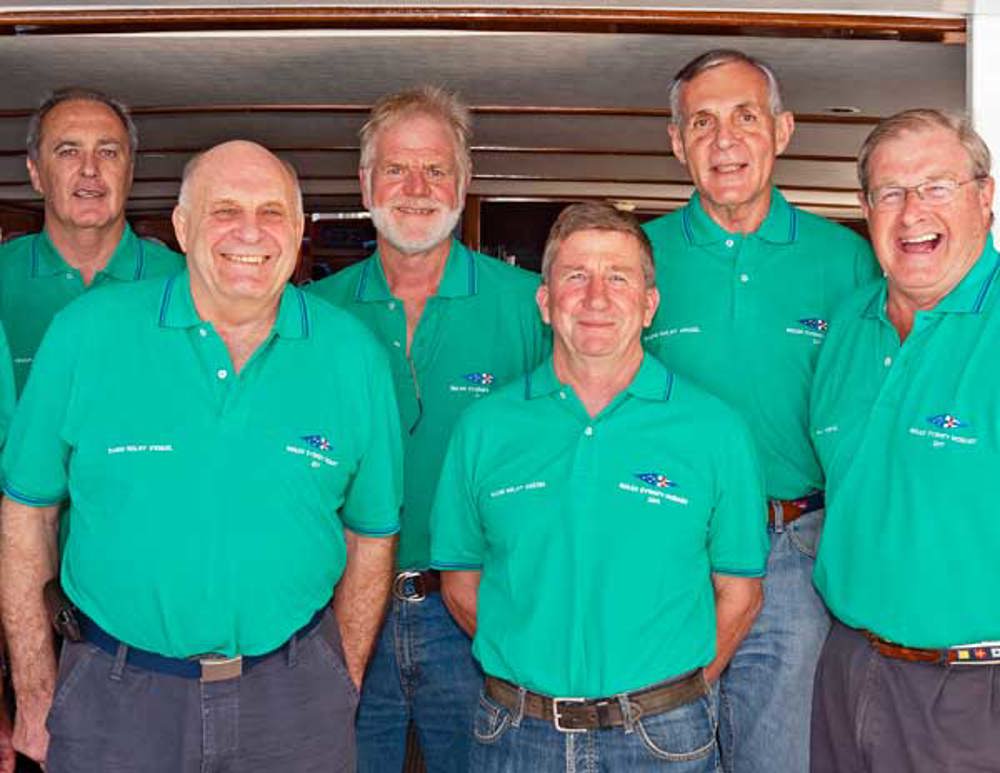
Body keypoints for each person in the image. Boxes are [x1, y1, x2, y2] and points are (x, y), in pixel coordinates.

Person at [0, 140, 402, 772]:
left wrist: (336, 682)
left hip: (292, 701)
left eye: (272, 212)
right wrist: (34, 688)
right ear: (182, 227)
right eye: (225, 210)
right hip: (115, 698)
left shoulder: (354, 357)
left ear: (299, 231)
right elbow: (28, 512)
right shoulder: (87, 333)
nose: (250, 232)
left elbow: (372, 535)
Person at [431, 201, 768, 771]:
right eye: (575, 276)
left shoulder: (715, 431)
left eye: (618, 277)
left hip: (663, 740)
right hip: (518, 732)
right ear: (544, 301)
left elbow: (740, 594)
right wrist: (533, 661)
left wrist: (666, 698)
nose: (595, 297)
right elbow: (461, 584)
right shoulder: (484, 429)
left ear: (648, 303)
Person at [640, 49, 879, 772]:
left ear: (782, 130)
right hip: (663, 550)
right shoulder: (634, 257)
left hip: (794, 557)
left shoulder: (849, 262)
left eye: (745, 117)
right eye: (702, 122)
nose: (724, 140)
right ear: (676, 141)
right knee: (660, 751)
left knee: (782, 758)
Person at [308, 86, 547, 771]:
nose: (416, 188)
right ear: (364, 182)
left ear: (464, 181)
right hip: (339, 609)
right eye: (396, 168)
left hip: (476, 612)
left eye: (436, 169)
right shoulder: (312, 313)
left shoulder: (529, 306)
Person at [809, 109, 1000, 772]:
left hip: (974, 690)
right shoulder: (846, 328)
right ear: (866, 210)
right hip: (847, 667)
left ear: (985, 196)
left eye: (936, 186)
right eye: (890, 192)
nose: (912, 210)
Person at [0, 87, 183, 394]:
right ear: (35, 173)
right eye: (68, 151)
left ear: (130, 172)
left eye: (108, 152)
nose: (90, 169)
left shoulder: (188, 282)